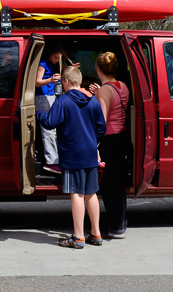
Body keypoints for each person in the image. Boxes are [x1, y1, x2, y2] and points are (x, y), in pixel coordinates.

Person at [36, 66, 106, 249]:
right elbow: (102, 128)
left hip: (72, 154)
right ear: (79, 81)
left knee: (77, 193)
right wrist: (93, 142)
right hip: (90, 153)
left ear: (66, 82)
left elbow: (50, 123)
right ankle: (96, 233)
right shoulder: (93, 101)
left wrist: (38, 113)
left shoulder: (63, 101)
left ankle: (78, 237)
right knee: (91, 194)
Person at [89, 52, 131, 240]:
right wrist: (99, 93)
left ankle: (115, 228)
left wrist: (95, 144)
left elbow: (102, 122)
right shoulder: (122, 86)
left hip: (109, 139)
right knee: (119, 184)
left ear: (98, 69)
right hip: (122, 137)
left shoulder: (104, 90)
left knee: (109, 185)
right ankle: (120, 224)